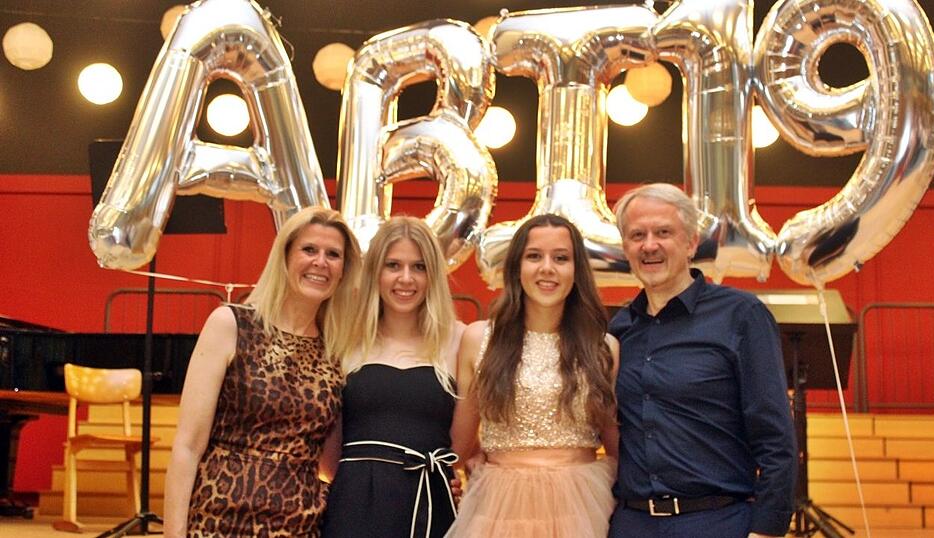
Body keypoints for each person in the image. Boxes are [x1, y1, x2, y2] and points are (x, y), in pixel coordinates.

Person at [608, 183, 796, 538]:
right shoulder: (620, 328)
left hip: (717, 522)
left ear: (691, 243)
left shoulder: (741, 315)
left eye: (664, 233)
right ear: (625, 248)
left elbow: (776, 437)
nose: (650, 245)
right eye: (637, 235)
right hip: (633, 524)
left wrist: (767, 529)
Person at [163, 206, 361, 538]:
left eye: (333, 254)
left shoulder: (337, 351)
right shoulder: (231, 324)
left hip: (299, 525)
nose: (321, 262)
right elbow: (187, 447)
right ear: (284, 257)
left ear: (344, 270)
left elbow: (332, 460)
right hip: (219, 520)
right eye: (309, 249)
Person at [447, 214, 619, 538]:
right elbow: (459, 444)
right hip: (500, 507)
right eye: (534, 256)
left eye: (561, 258)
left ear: (577, 270)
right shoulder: (479, 339)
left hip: (581, 505)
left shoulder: (603, 347)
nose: (547, 268)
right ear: (516, 267)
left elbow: (616, 444)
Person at [321, 216, 465, 538]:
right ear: (375, 271)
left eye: (419, 267)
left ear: (433, 275)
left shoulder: (458, 340)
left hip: (430, 504)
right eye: (393, 265)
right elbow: (329, 452)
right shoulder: (343, 340)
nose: (406, 278)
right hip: (355, 505)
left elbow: (465, 445)